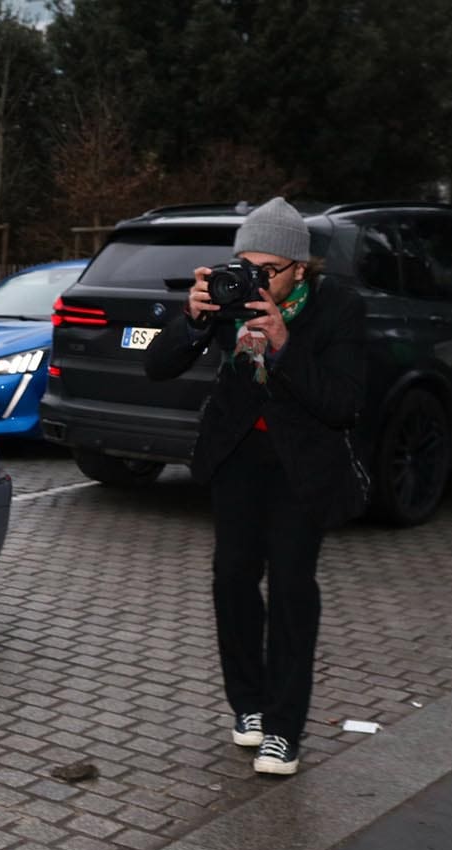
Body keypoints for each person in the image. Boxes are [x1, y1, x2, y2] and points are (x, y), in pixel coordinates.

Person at [144, 197, 366, 777]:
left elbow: (342, 403)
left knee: (291, 587)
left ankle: (284, 728)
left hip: (303, 465)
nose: (256, 279)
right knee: (232, 580)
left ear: (301, 268)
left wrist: (285, 343)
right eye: (247, 265)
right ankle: (249, 704)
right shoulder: (228, 299)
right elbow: (158, 366)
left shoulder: (338, 307)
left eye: (270, 269)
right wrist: (193, 319)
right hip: (238, 458)